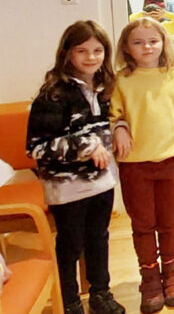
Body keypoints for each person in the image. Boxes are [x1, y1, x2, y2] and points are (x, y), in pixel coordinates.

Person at [26, 21, 125, 314]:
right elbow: (37, 147)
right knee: (70, 245)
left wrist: (120, 127)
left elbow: (113, 121)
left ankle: (100, 293)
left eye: (97, 50)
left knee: (99, 239)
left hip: (102, 183)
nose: (91, 57)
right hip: (67, 189)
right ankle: (69, 301)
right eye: (82, 50)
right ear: (67, 53)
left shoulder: (105, 88)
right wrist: (86, 146)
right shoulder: (53, 94)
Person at [111, 17, 174, 313]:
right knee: (143, 223)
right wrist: (119, 127)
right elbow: (114, 114)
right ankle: (150, 277)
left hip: (169, 159)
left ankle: (172, 272)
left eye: (153, 41)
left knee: (170, 219)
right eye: (138, 42)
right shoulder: (120, 80)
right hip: (135, 163)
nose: (147, 47)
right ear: (127, 48)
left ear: (163, 44)